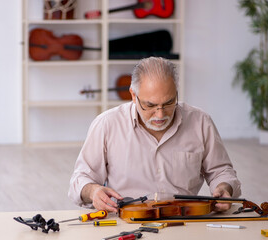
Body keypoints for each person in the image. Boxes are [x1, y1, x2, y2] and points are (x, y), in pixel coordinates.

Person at [68, 57, 241, 213]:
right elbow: (80, 180)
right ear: (133, 96)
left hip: (184, 221)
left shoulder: (200, 122)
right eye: (150, 105)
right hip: (126, 222)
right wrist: (93, 191)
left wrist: (224, 188)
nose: (160, 115)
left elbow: (221, 171)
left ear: (177, 93)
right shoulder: (107, 124)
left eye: (169, 103)